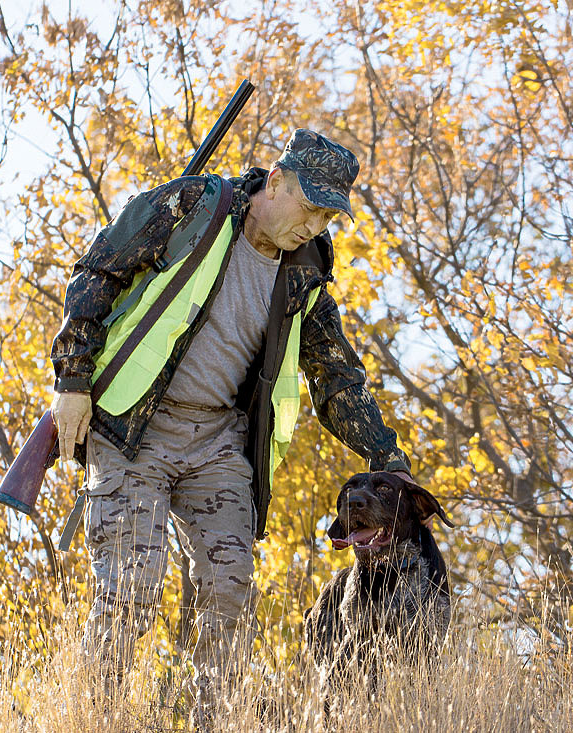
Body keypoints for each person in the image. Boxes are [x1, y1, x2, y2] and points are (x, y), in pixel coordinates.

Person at [50, 128, 412, 701]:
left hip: (219, 444)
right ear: (276, 181)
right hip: (134, 427)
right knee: (131, 589)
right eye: (311, 207)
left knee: (229, 589)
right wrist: (72, 378)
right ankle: (96, 712)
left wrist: (388, 457)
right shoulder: (192, 205)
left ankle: (211, 716)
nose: (315, 226)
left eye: (327, 217)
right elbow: (98, 270)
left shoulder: (306, 277)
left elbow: (338, 378)